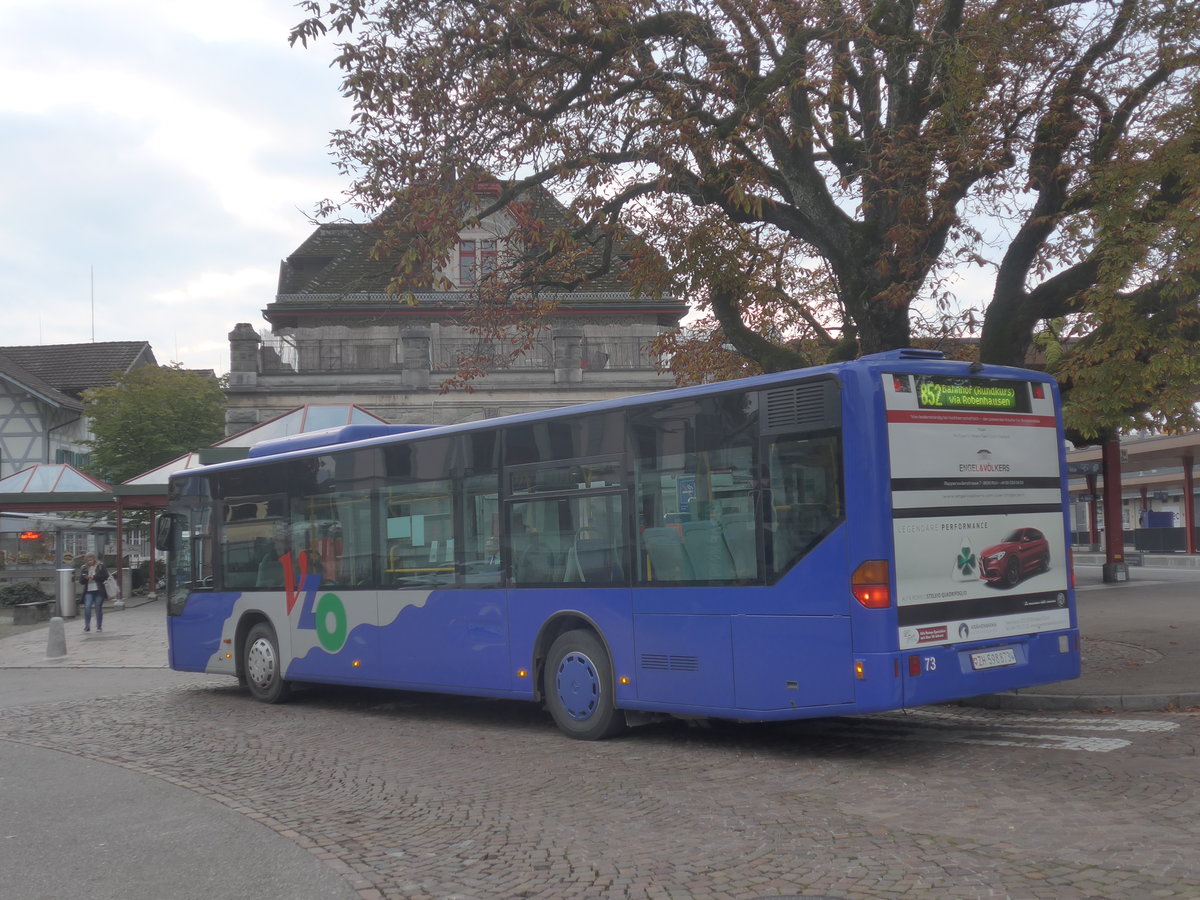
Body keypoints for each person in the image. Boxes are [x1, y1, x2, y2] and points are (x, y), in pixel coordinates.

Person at [77, 552, 110, 633]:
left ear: (94, 559)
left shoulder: (100, 566)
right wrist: (86, 578)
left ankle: (99, 626)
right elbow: (81, 581)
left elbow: (105, 576)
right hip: (89, 591)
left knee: (98, 607)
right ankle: (87, 626)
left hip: (99, 590)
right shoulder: (84, 568)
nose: (89, 562)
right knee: (87, 607)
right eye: (88, 560)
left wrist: (94, 577)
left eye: (91, 560)